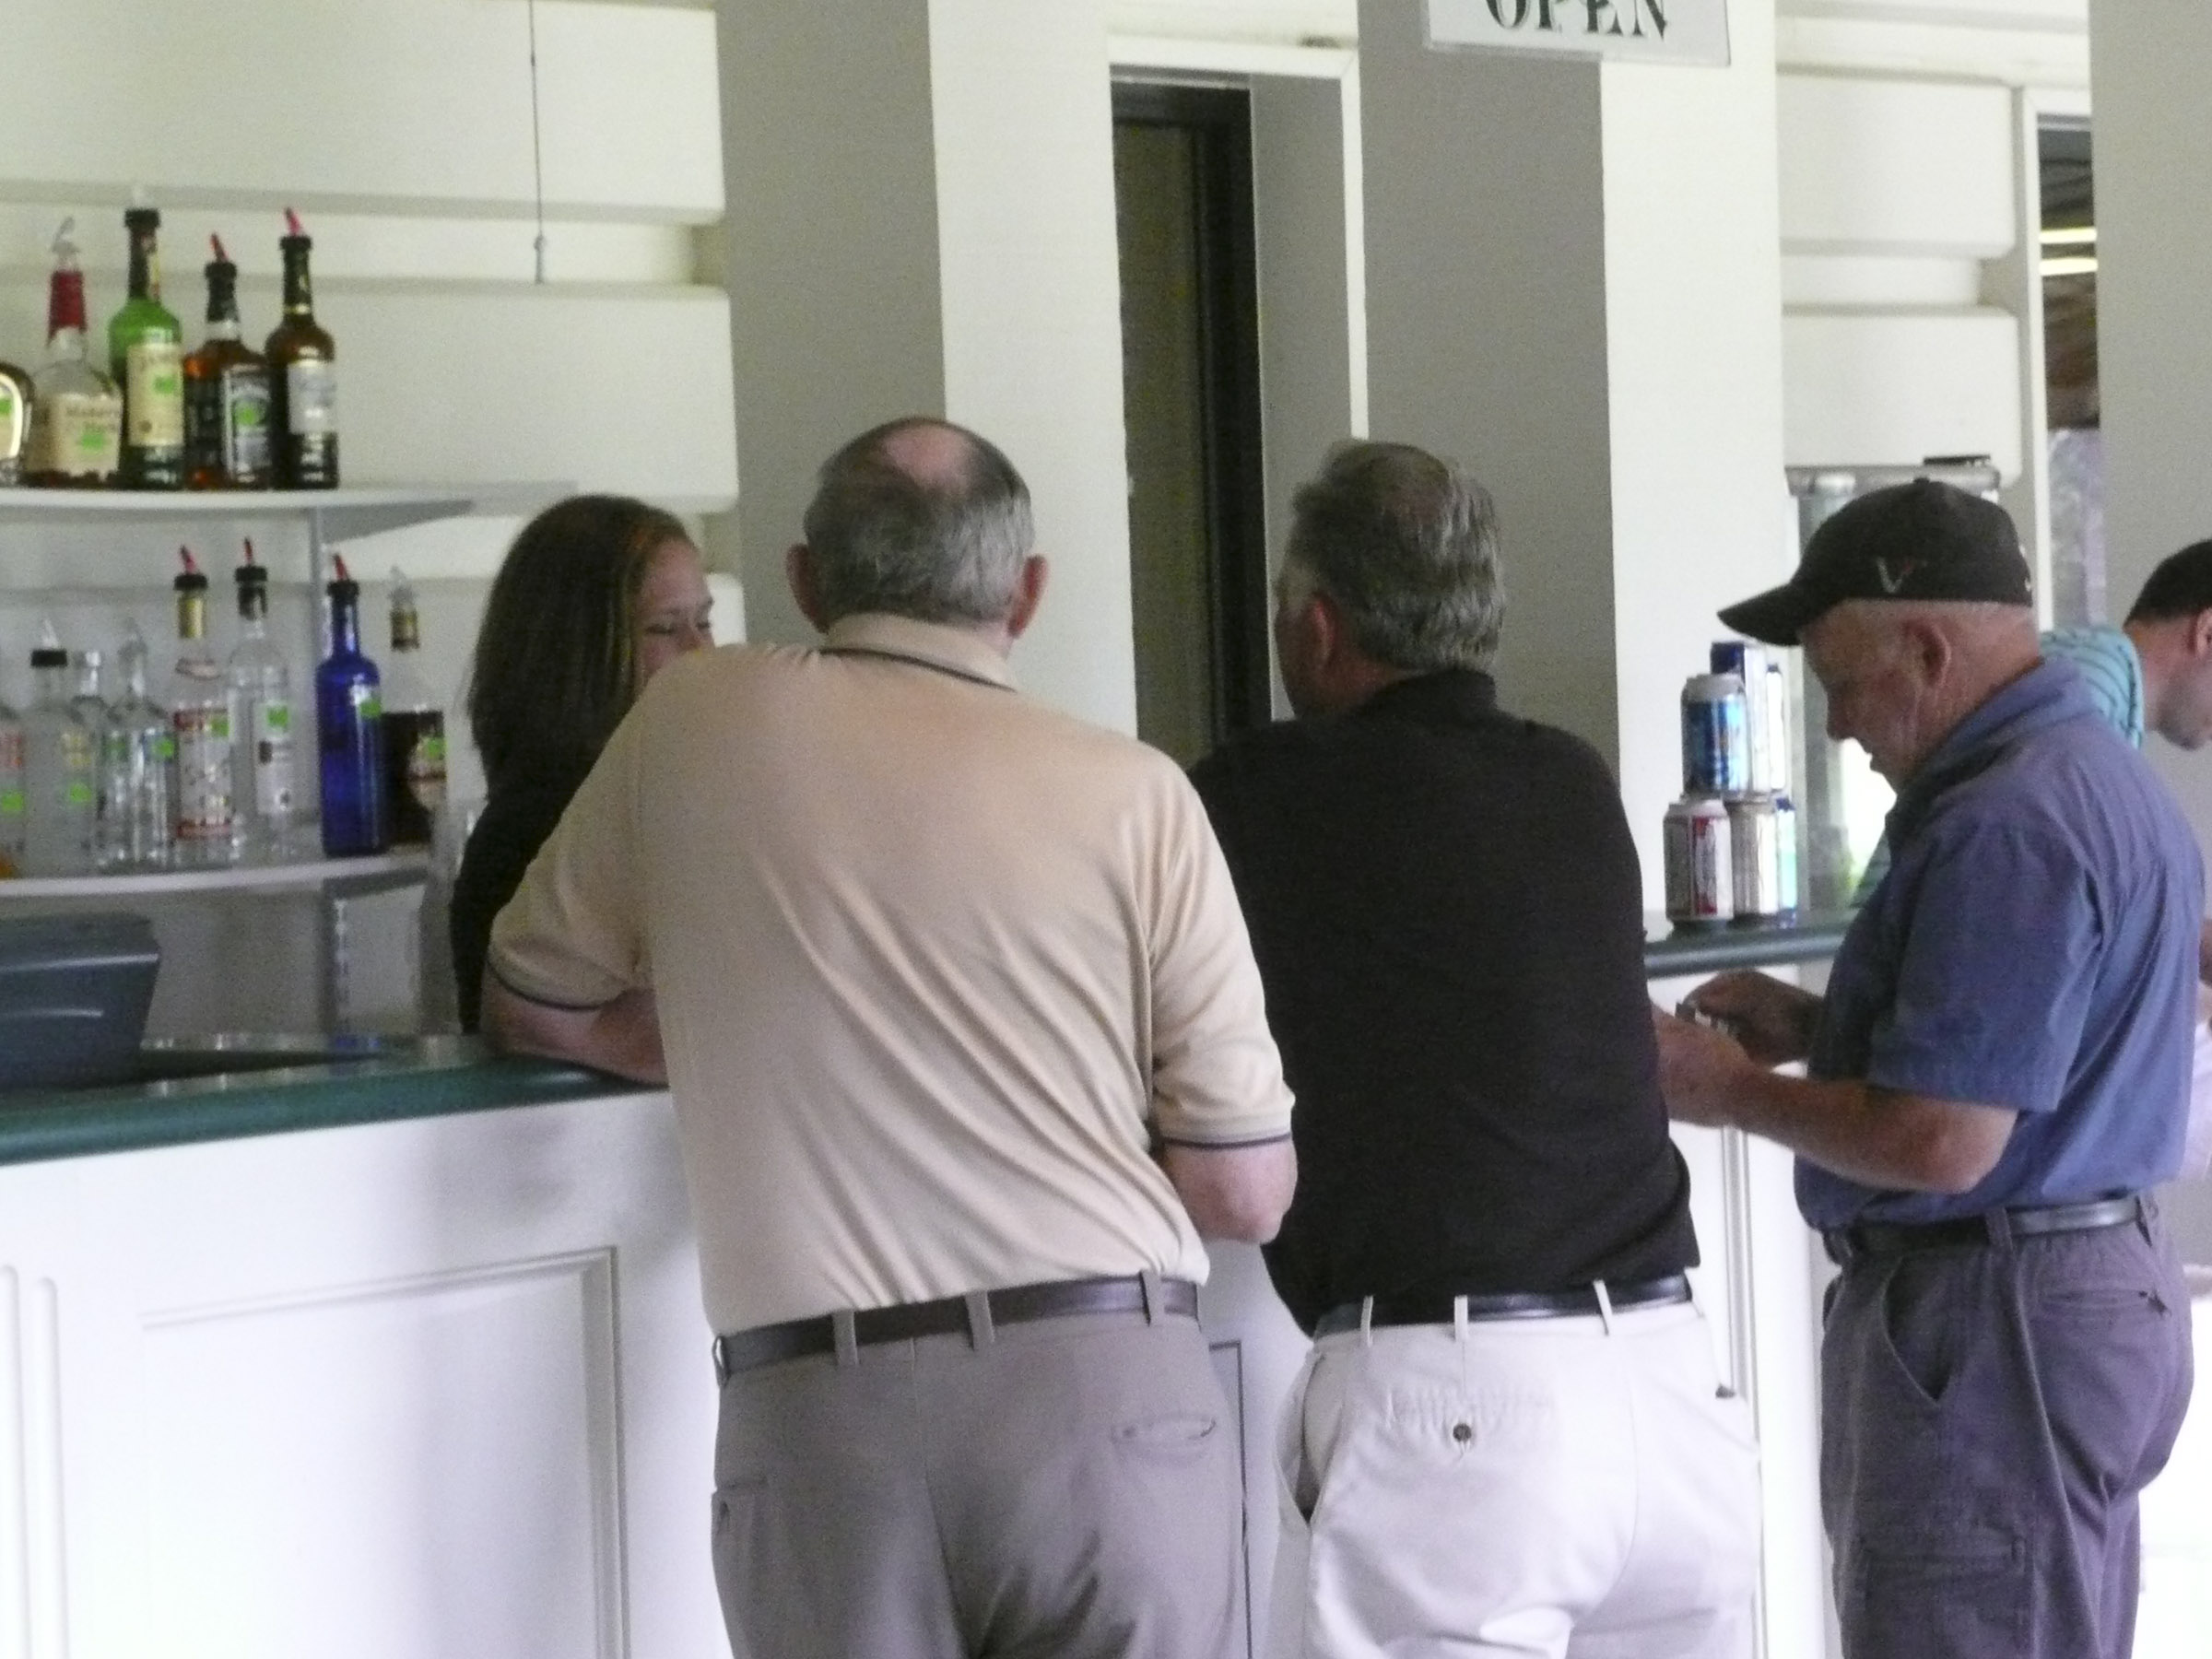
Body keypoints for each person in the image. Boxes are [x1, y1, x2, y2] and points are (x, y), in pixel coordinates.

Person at [480, 416, 1298, 1659]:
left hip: (824, 1422)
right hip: (1106, 1407)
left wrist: (729, 1026)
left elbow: (531, 997)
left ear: (805, 582)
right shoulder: (1140, 794)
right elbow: (1244, 1191)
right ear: (1028, 592)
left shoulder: (696, 720)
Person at [1191, 441, 1760, 1659]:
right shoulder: (1571, 780)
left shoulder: (1259, 798)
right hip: (1668, 1390)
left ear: (1319, 627)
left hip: (1459, 1423)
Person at [1656, 479, 2199, 1659]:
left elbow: (1945, 1141)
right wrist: (1820, 1027)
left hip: (1995, 1324)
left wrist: (1725, 1091)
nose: (1838, 726)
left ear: (1928, 651)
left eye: (1842, 684)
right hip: (2074, 1291)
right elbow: (2038, 1048)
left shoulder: (2007, 823)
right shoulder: (2092, 775)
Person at [448, 494, 713, 1030]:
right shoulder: (536, 833)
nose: (700, 652)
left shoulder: (664, 795)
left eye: (704, 621)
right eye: (664, 629)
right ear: (578, 654)